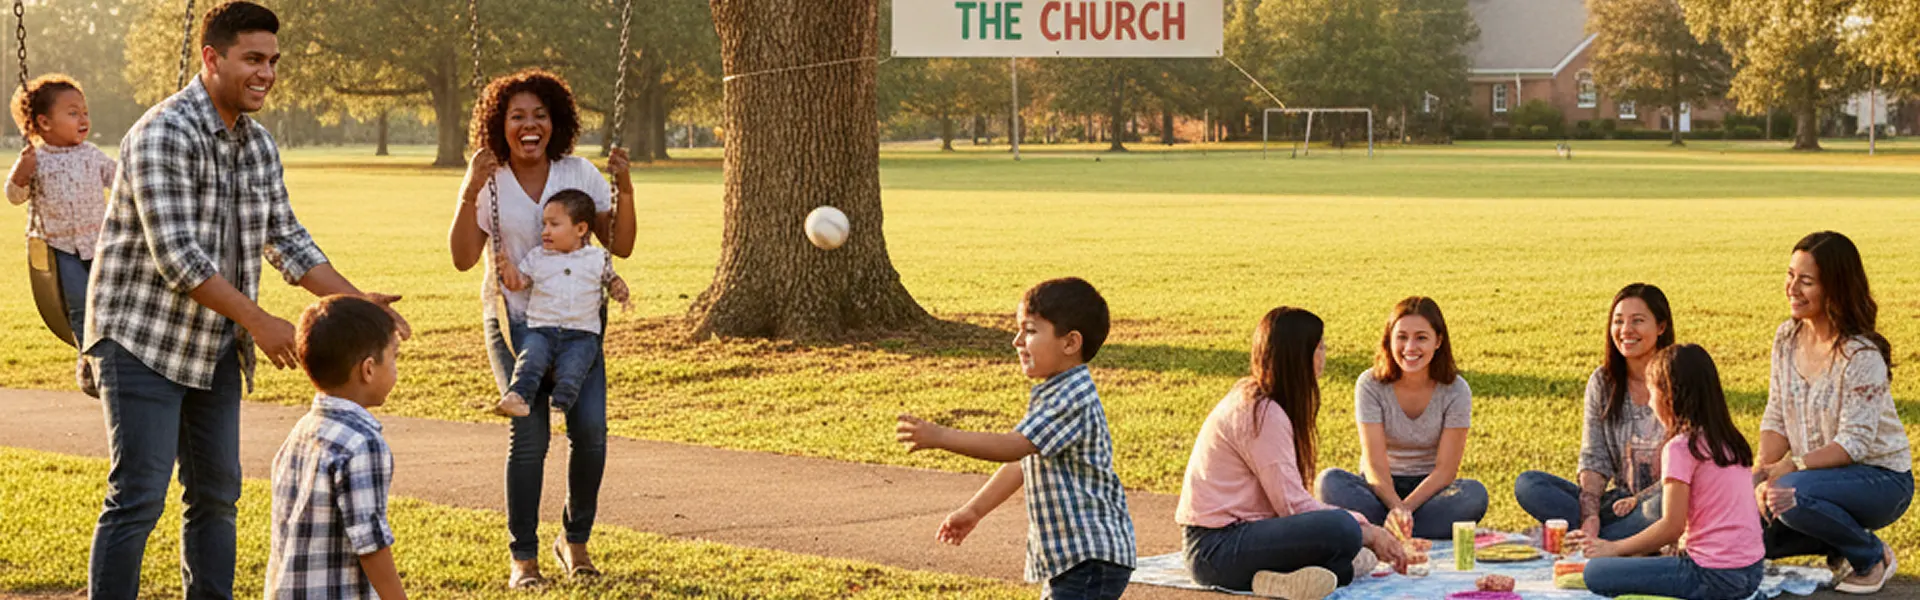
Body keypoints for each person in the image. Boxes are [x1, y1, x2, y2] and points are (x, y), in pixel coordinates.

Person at [85, 3, 408, 598]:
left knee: (217, 496)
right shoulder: (162, 133)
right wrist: (260, 321)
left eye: (273, 61)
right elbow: (179, 257)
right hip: (141, 340)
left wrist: (356, 301)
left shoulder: (256, 144)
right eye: (253, 59)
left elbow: (286, 238)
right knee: (139, 495)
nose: (267, 73)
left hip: (212, 345)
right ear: (212, 58)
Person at [447, 67, 635, 587]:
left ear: (556, 121)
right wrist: (468, 191)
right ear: (499, 124)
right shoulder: (491, 181)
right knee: (529, 435)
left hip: (577, 325)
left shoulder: (578, 173)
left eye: (540, 115)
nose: (530, 126)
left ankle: (574, 543)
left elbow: (618, 244)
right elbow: (464, 258)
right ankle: (523, 557)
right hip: (515, 320)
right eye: (517, 117)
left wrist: (625, 187)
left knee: (591, 431)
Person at [895, 277, 1137, 600]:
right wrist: (974, 510)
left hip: (1088, 558)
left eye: (1031, 331)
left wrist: (940, 436)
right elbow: (1021, 463)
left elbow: (1012, 446)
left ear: (1070, 343)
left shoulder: (1069, 398)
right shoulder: (1055, 392)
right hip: (1074, 559)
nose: (1016, 341)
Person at [1177, 307, 1407, 599]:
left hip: (1238, 541)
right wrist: (1369, 532)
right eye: (1320, 347)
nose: (1325, 355)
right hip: (1216, 549)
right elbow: (1292, 505)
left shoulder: (1266, 403)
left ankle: (1278, 581)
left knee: (1345, 540)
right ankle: (1334, 566)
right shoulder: (1261, 412)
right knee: (1343, 529)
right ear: (1300, 355)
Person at [1756, 231, 1911, 595]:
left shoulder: (1860, 357)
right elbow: (1776, 412)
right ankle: (1838, 543)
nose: (1792, 288)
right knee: (1744, 533)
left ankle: (1872, 556)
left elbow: (1852, 445)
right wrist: (1760, 474)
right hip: (1815, 478)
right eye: (1790, 275)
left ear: (1835, 289)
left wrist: (1788, 467)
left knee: (1787, 495)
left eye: (1806, 281)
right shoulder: (1786, 337)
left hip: (1880, 481)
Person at [1574, 344, 1764, 600]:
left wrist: (1614, 548)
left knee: (1596, 573)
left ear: (1669, 396)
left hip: (1710, 576)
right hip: (1752, 573)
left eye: (1652, 393)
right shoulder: (1730, 440)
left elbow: (1671, 526)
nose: (1650, 403)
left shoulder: (1681, 447)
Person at [265, 295, 408, 599]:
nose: (396, 366)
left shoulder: (303, 431)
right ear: (368, 369)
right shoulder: (362, 444)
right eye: (394, 356)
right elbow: (371, 545)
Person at [1315, 297, 1487, 539]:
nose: (1410, 347)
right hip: (1379, 488)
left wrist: (1405, 509)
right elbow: (1374, 464)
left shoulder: (1456, 390)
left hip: (1429, 492)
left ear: (1438, 341)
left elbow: (1446, 471)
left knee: (1473, 495)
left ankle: (1379, 531)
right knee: (1329, 482)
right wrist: (1396, 506)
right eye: (1402, 337)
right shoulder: (1370, 384)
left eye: (1421, 338)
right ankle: (1405, 530)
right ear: (1390, 339)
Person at [1515, 283, 1673, 541]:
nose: (1626, 331)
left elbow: (1696, 461)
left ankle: (1613, 540)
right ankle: (1608, 536)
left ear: (1661, 327)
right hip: (1618, 503)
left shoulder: (1679, 378)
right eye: (1618, 321)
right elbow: (1594, 457)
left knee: (1663, 504)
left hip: (1664, 501)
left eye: (1638, 321)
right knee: (1530, 484)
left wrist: (1640, 500)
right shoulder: (1603, 381)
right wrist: (1591, 516)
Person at [7, 73, 115, 395]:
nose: (83, 119)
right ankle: (91, 363)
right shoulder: (35, 159)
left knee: (105, 303)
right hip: (58, 249)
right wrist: (21, 175)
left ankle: (103, 360)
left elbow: (119, 179)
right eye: (72, 113)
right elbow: (14, 196)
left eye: (84, 112)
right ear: (44, 122)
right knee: (80, 305)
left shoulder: (91, 154)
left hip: (98, 244)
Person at [497, 189, 630, 417]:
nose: (545, 231)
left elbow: (611, 279)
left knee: (574, 367)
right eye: (544, 225)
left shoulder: (596, 258)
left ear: (580, 229)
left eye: (554, 225)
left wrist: (619, 289)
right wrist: (508, 270)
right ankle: (517, 396)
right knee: (530, 359)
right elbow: (520, 282)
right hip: (541, 329)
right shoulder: (538, 257)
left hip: (582, 333)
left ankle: (561, 403)